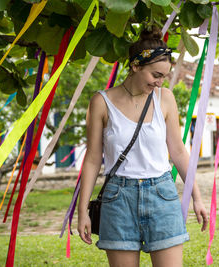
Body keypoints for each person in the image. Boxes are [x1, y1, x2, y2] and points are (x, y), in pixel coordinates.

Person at [77, 26, 208, 267]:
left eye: (164, 77)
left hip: (162, 195)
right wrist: (82, 210)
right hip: (118, 199)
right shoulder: (101, 102)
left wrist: (197, 197)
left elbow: (178, 151)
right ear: (136, 66)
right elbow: (93, 159)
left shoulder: (165, 98)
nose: (159, 82)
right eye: (156, 75)